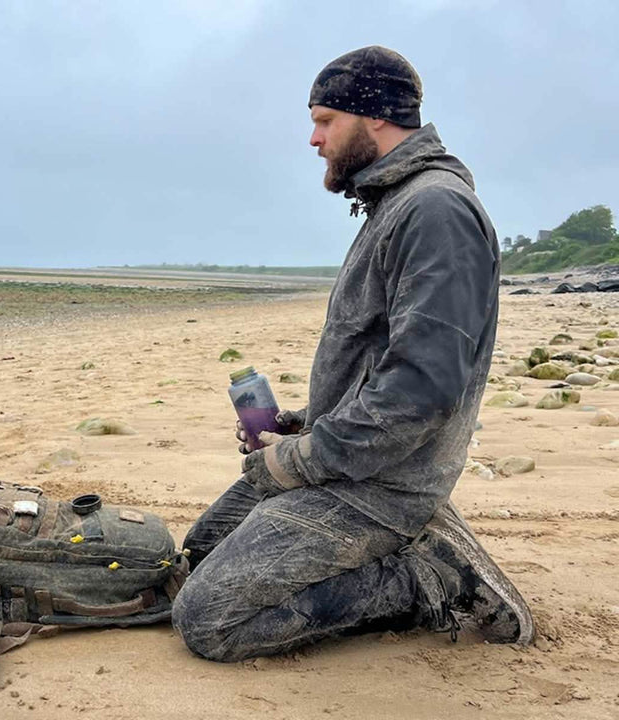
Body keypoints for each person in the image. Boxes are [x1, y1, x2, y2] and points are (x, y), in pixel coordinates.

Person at [172, 46, 534, 661]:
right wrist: (306, 425)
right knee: (199, 554)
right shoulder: (393, 205)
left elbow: (422, 389)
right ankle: (405, 547)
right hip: (349, 459)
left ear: (375, 118)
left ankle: (430, 576)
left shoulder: (435, 210)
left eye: (324, 120)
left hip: (380, 484)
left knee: (208, 620)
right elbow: (382, 360)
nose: (313, 139)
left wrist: (304, 459)